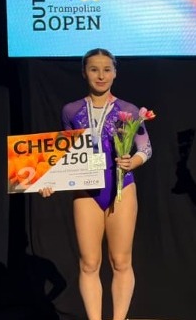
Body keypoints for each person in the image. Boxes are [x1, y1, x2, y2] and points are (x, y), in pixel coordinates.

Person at [39, 48, 153, 320]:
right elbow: (65, 153)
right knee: (89, 263)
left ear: (115, 73)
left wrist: (133, 162)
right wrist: (48, 180)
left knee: (121, 261)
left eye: (106, 69)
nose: (101, 75)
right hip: (86, 192)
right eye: (94, 69)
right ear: (84, 73)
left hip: (121, 188)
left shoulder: (128, 110)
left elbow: (146, 148)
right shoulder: (71, 110)